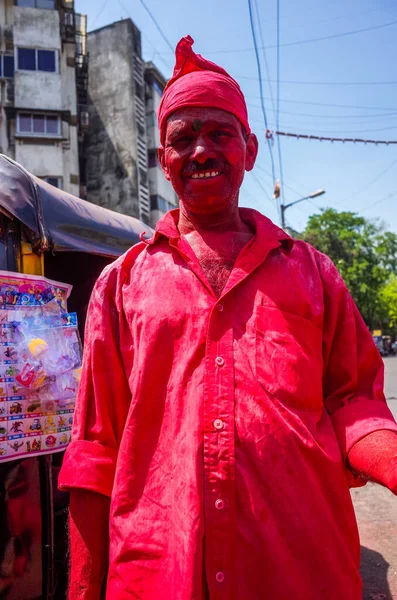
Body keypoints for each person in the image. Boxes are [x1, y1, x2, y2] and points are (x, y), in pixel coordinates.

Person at [59, 36, 397, 600]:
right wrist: (84, 586)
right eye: (182, 139)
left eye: (219, 133)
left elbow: (353, 402)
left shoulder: (314, 273)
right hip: (158, 570)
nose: (202, 151)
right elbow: (96, 449)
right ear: (163, 161)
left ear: (249, 148)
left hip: (301, 567)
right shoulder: (120, 285)